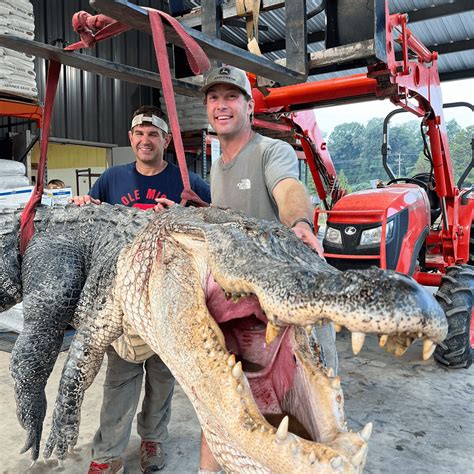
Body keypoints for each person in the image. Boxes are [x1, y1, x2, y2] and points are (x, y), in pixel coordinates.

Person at [157, 66, 337, 474]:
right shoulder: (219, 166)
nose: (222, 105)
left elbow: (289, 190)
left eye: (231, 97)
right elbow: (230, 222)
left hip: (281, 310)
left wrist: (301, 225)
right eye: (214, 98)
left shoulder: (271, 151)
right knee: (222, 403)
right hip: (240, 310)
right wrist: (189, 215)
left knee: (295, 418)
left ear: (249, 107)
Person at [74, 105, 211, 474]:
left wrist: (183, 214)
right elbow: (92, 218)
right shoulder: (111, 179)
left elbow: (216, 220)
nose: (145, 140)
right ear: (130, 139)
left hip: (171, 297)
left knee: (163, 378)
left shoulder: (188, 182)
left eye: (153, 134)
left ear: (166, 140)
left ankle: (153, 439)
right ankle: (107, 454)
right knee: (120, 379)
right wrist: (83, 204)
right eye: (139, 133)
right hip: (126, 299)